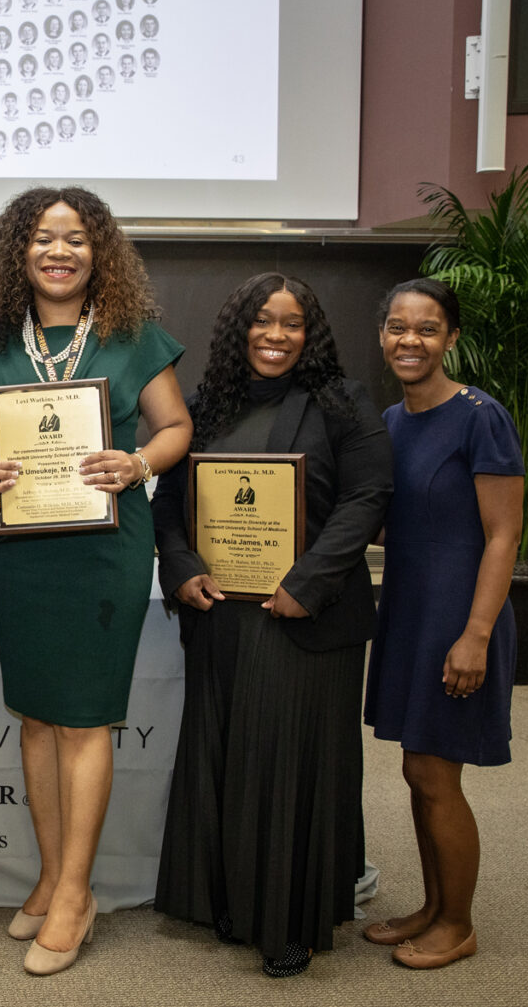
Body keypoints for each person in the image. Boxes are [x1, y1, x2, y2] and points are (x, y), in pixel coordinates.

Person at [0, 186, 192, 976]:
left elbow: (175, 429)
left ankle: (76, 893)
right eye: (41, 237)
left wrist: (137, 462)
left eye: (75, 238)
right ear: (17, 253)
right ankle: (49, 872)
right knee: (35, 717)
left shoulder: (133, 336)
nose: (58, 251)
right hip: (29, 551)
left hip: (107, 550)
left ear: (99, 251)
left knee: (85, 721)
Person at [152, 273, 393, 978]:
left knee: (289, 763)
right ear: (240, 328)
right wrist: (182, 563)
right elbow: (169, 503)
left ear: (310, 332)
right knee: (225, 755)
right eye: (262, 320)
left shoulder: (342, 402)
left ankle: (289, 919)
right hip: (220, 612)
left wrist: (306, 581)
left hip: (305, 617)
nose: (276, 335)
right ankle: (229, 898)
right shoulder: (205, 405)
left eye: (292, 323)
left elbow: (368, 495)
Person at [363, 278, 524, 969]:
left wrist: (476, 634)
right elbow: (374, 521)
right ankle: (432, 906)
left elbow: (504, 533)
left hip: (460, 614)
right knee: (417, 767)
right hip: (407, 609)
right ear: (382, 337)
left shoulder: (480, 416)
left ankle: (457, 922)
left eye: (427, 329)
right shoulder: (392, 421)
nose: (410, 340)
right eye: (398, 327)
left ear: (451, 338)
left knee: (436, 773)